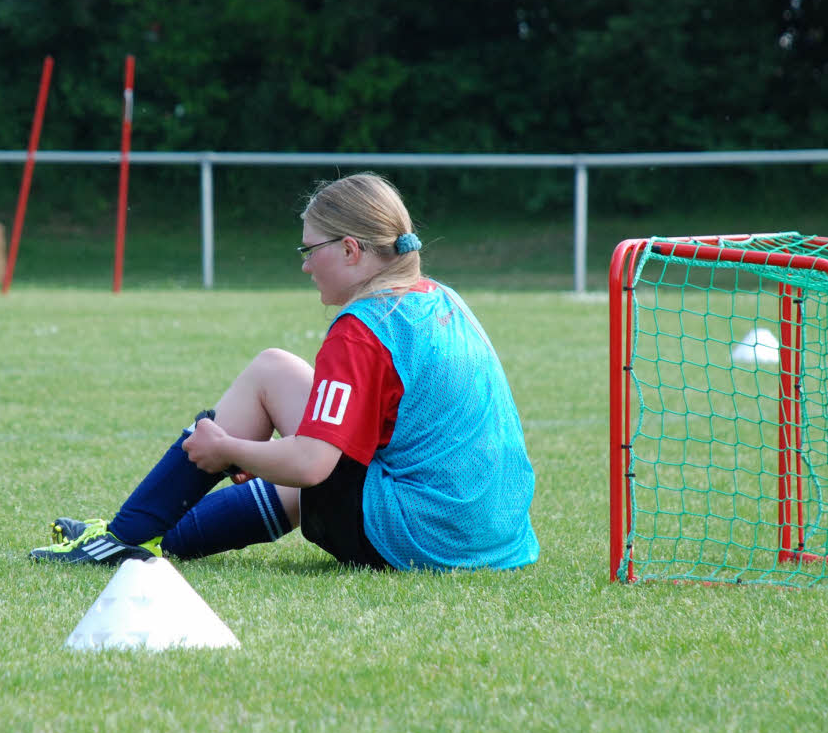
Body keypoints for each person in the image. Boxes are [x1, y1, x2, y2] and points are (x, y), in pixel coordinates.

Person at [30, 172, 539, 571]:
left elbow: (313, 466)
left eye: (309, 249)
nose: (304, 266)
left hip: (422, 541)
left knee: (270, 373)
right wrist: (268, 454)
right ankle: (142, 536)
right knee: (307, 431)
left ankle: (120, 540)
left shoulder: (363, 327)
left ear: (349, 249)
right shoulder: (442, 298)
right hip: (492, 537)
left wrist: (227, 450)